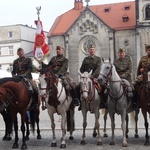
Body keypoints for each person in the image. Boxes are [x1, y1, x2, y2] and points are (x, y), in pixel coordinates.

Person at [78, 45, 102, 110]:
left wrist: (92, 76)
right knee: (78, 86)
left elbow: (98, 69)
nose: (92, 51)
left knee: (102, 87)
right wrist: (83, 75)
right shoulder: (85, 59)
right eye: (90, 50)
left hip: (95, 77)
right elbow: (81, 69)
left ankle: (103, 102)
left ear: (95, 50)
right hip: (86, 77)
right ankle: (78, 102)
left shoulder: (98, 59)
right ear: (89, 51)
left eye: (93, 49)